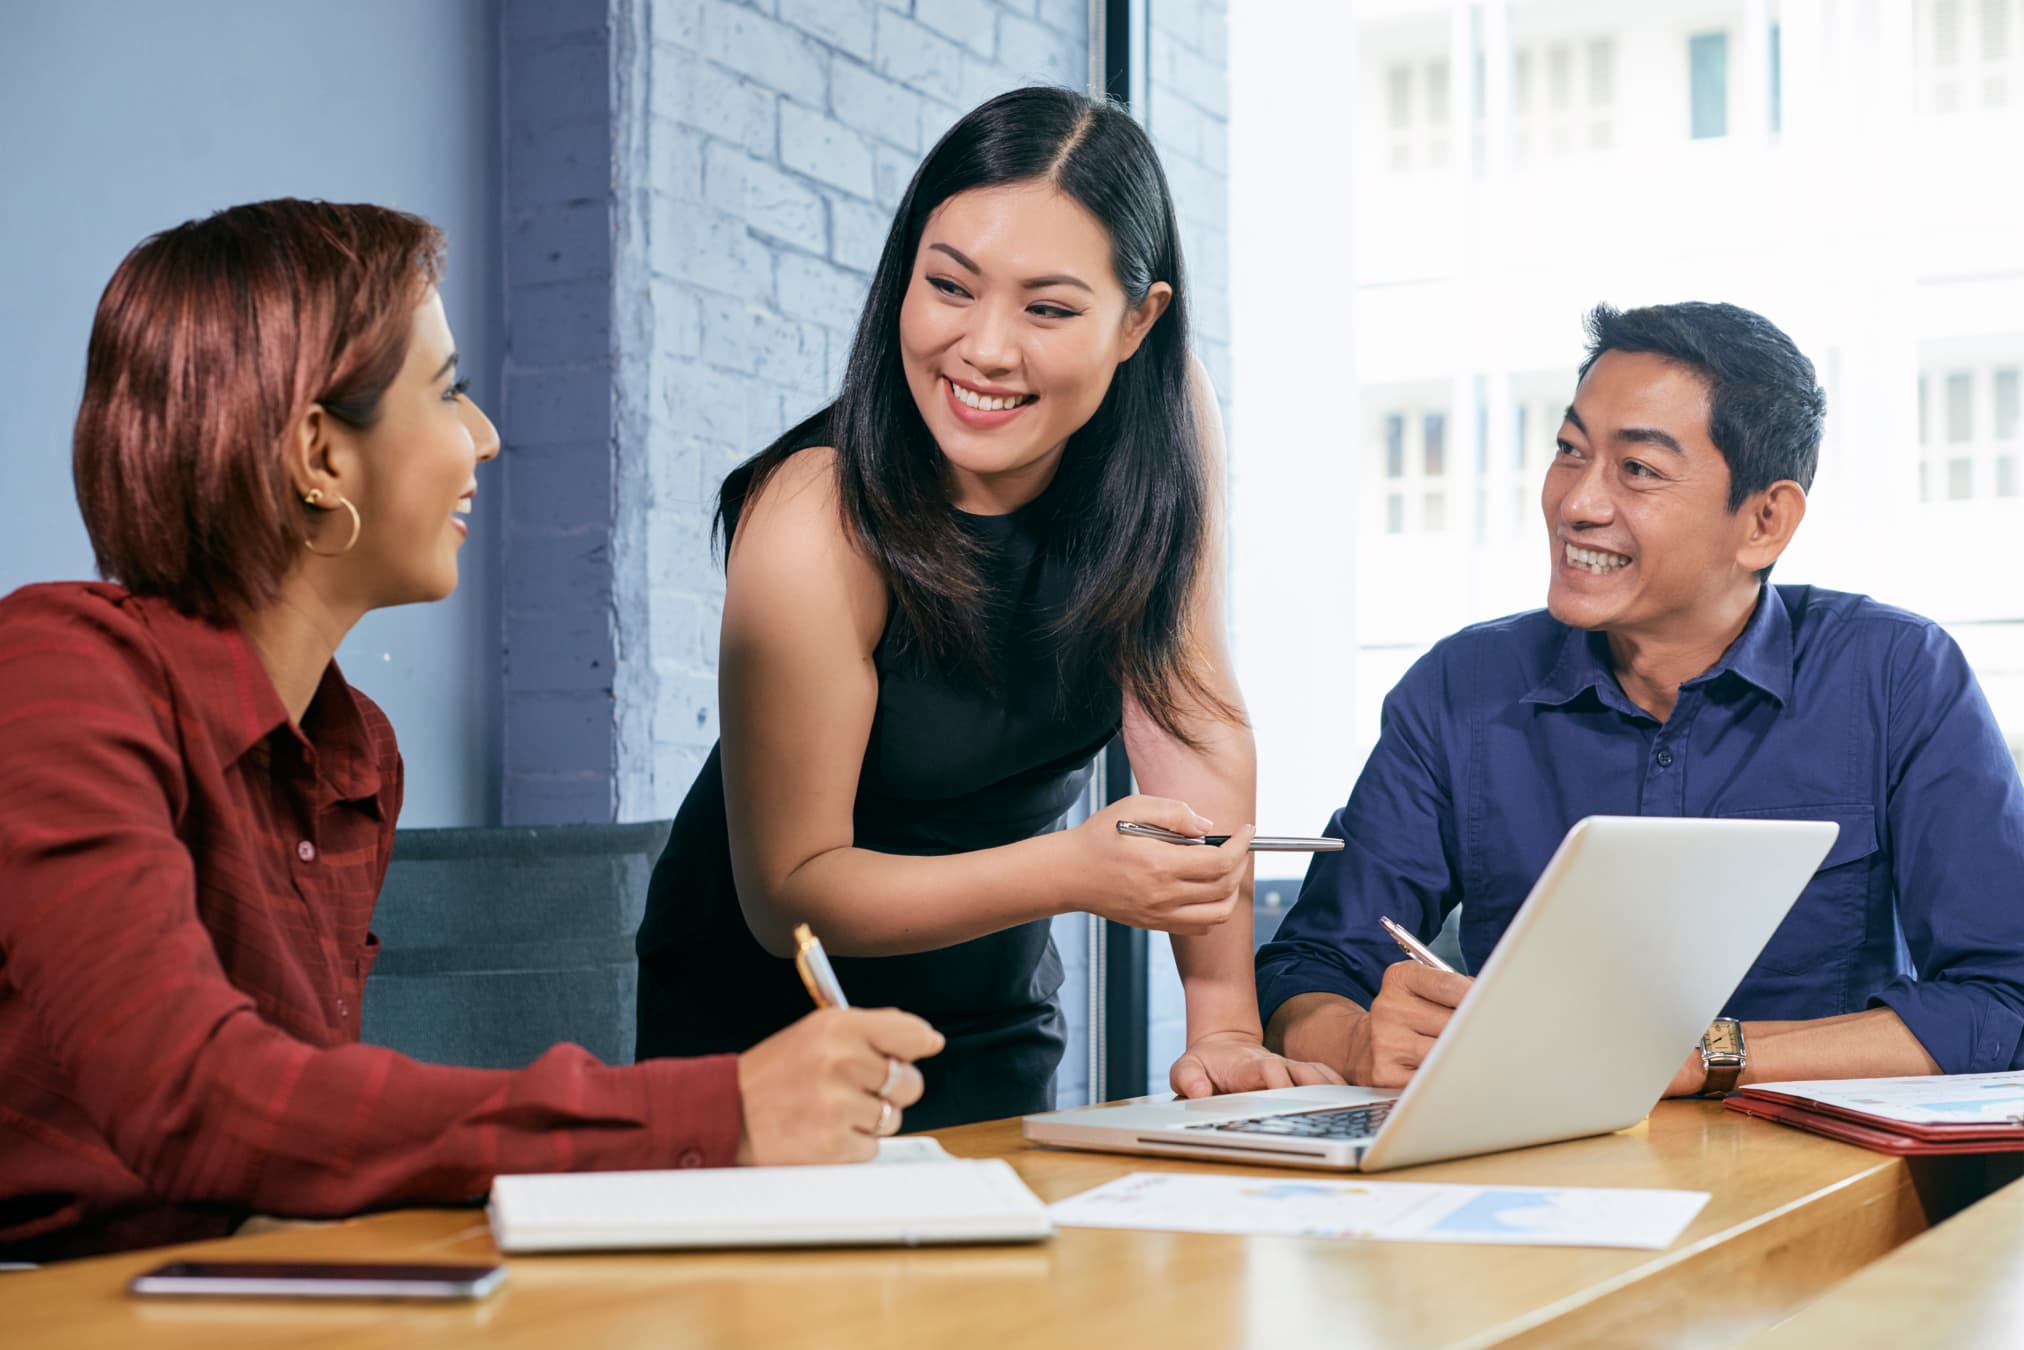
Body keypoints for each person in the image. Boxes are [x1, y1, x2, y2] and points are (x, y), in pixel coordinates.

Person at [0, 199, 940, 1262]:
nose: (486, 437)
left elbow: (299, 1146)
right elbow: (198, 1100)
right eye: (447, 392)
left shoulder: (352, 755)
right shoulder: (57, 674)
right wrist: (715, 1113)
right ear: (319, 453)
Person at [635, 86, 1337, 1128]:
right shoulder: (810, 516)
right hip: (773, 1033)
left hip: (993, 1009)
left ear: (1138, 321)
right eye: (950, 287)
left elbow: (1185, 714)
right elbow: (790, 890)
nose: (985, 351)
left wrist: (1224, 1020)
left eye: (1048, 309)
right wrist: (1073, 870)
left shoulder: (1165, 422)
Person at [1259, 301, 2024, 1095]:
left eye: (1638, 471)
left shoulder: (1894, 674)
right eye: (1568, 450)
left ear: (1765, 521)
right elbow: (1311, 965)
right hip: (1530, 1171)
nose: (1577, 503)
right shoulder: (1461, 688)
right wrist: (1355, 1042)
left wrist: (1700, 1058)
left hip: (1822, 1183)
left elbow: (2002, 999)